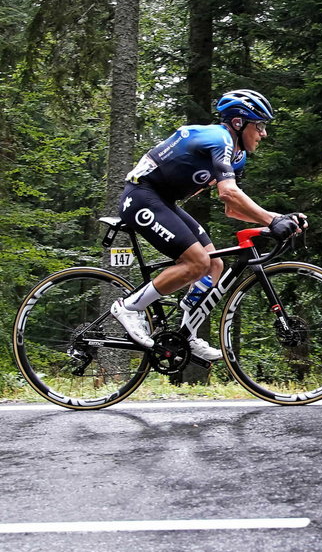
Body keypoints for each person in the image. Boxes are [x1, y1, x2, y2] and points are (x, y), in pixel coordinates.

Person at [109, 89, 306, 360]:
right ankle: (129, 307)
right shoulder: (219, 139)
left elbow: (232, 209)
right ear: (238, 123)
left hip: (165, 200)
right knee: (197, 262)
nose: (263, 133)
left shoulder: (238, 157)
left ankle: (186, 335)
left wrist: (278, 219)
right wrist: (272, 219)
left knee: (214, 264)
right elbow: (228, 193)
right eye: (259, 125)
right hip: (141, 195)